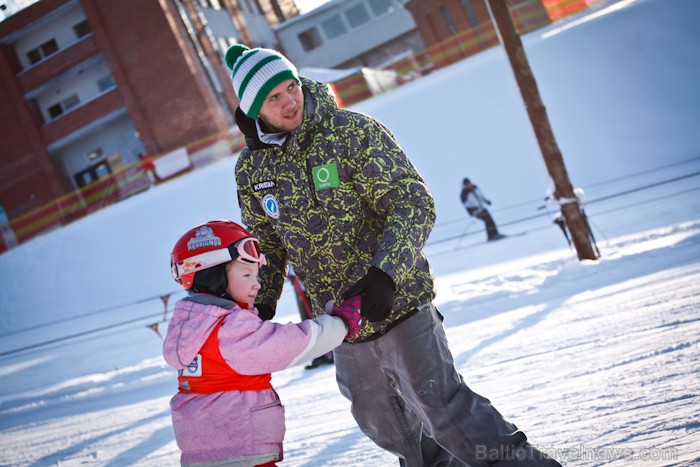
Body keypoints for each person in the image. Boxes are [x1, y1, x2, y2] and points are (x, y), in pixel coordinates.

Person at [226, 43, 560, 467]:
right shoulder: (252, 170)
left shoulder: (350, 132)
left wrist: (385, 273)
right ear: (255, 109)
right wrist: (263, 299)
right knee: (386, 425)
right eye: (274, 98)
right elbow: (267, 244)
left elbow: (413, 202)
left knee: (446, 411)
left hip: (397, 302)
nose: (290, 101)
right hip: (339, 321)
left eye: (291, 87)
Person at [163, 220, 360, 467]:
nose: (257, 284)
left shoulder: (188, 326)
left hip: (204, 456)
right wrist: (341, 323)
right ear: (212, 277)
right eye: (246, 274)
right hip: (243, 452)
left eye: (256, 275)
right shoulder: (230, 330)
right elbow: (293, 344)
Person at [288, 263, 335, 369]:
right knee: (309, 321)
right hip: (299, 279)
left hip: (314, 279)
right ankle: (321, 353)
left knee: (321, 317)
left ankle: (331, 350)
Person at [460, 177, 505, 242]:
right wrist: (471, 211)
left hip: (482, 208)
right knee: (487, 219)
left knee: (490, 219)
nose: (468, 185)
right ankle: (491, 236)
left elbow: (481, 196)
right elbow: (466, 205)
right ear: (464, 185)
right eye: (466, 184)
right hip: (475, 211)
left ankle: (495, 234)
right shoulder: (464, 194)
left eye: (469, 183)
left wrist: (486, 201)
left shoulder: (475, 188)